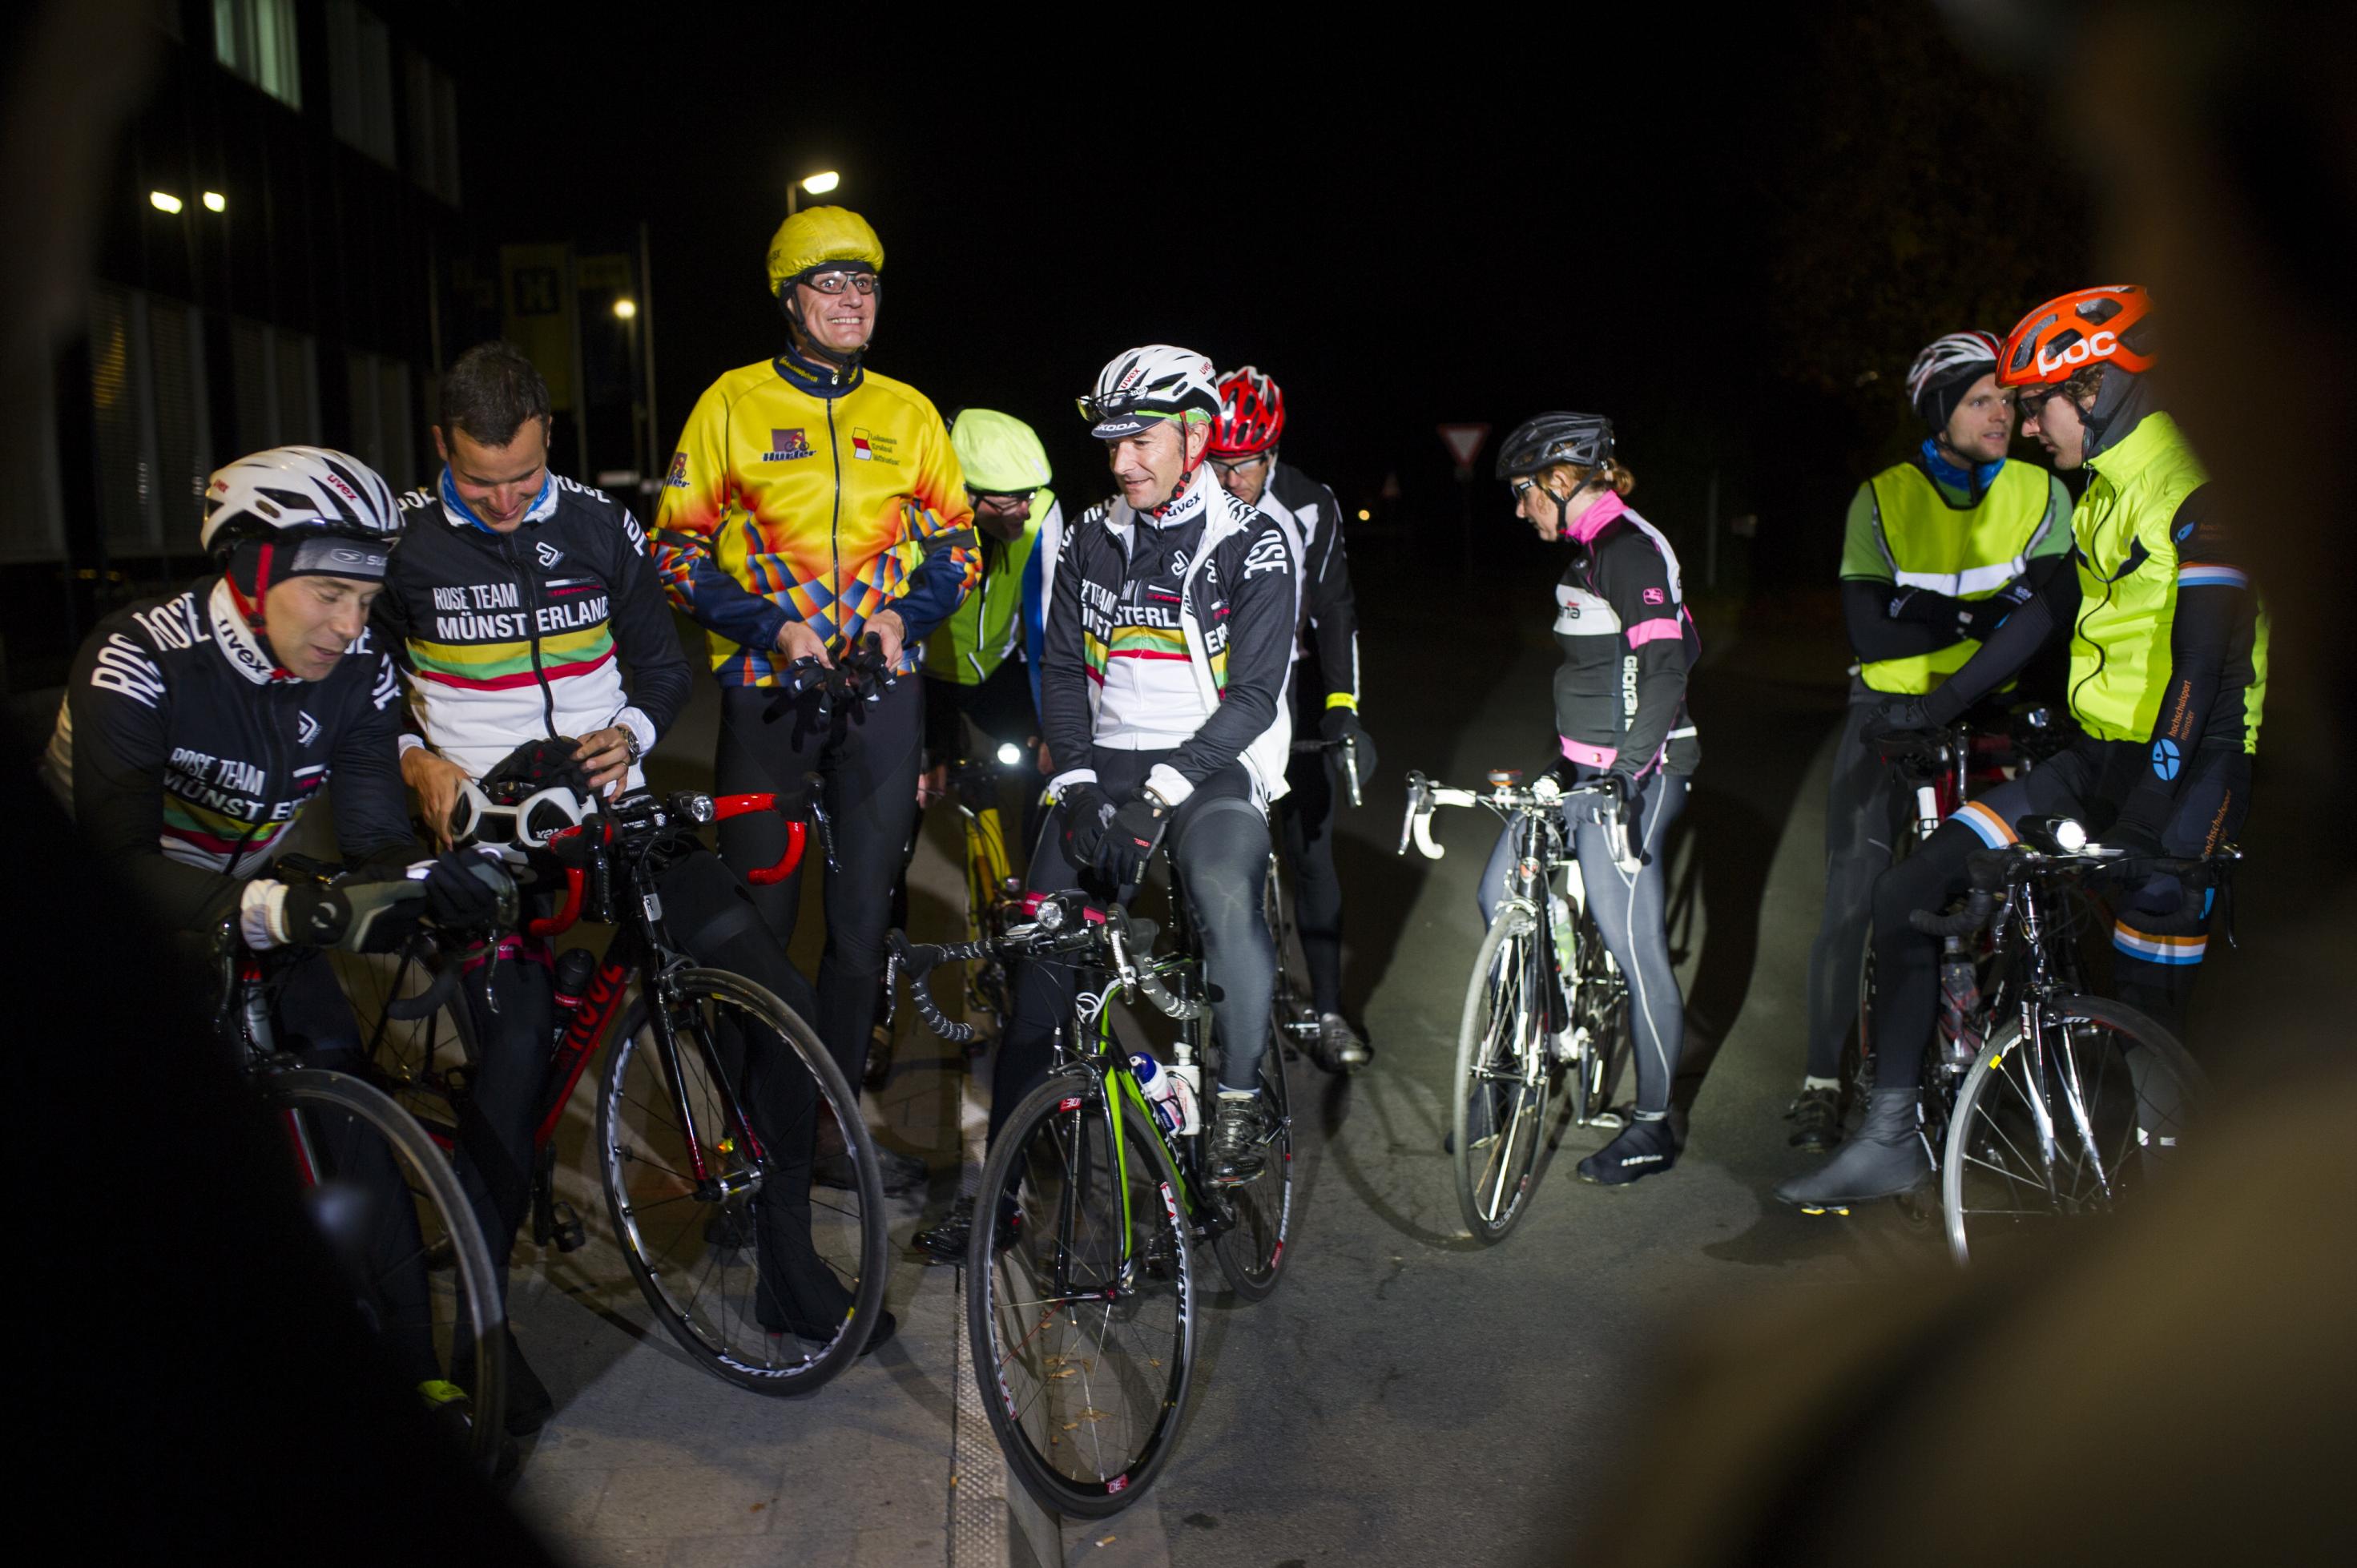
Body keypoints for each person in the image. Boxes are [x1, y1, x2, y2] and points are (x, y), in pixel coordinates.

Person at [375, 342, 893, 1370]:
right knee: (518, 1059)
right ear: (441, 449)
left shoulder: (597, 524)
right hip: (487, 834)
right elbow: (358, 688)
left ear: (550, 441)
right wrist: (411, 759)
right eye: (481, 482)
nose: (508, 502)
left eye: (524, 476)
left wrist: (639, 736)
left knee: (777, 1002)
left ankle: (789, 1266)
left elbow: (661, 668)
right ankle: (479, 1344)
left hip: (614, 813)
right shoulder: (399, 542)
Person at [38, 445, 508, 1413]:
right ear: (253, 573)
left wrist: (433, 882)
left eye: (367, 599)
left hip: (250, 897)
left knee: (349, 1109)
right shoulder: (138, 655)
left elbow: (375, 834)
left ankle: (419, 1374)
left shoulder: (362, 665)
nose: (350, 625)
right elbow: (119, 859)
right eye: (329, 592)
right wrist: (283, 907)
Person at [1778, 284, 2267, 1210]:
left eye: (2036, 403)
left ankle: (2169, 1220)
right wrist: (1937, 706)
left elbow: (2204, 666)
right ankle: (1890, 1141)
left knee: (2141, 1010)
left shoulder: (2201, 485)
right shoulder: (2100, 493)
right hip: (2098, 757)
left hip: (2188, 768)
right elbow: (2048, 611)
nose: (2028, 425)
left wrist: (2145, 817)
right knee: (1907, 888)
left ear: (2092, 388)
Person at [915, 345, 1299, 1260]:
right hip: (1109, 765)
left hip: (1209, 768)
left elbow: (1251, 697)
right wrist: (1077, 782)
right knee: (1038, 969)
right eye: (1110, 444)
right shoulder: (1088, 531)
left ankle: (1238, 1102)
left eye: (1139, 441)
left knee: (1218, 890)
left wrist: (1159, 796)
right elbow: (1056, 669)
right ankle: (1001, 1200)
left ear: (1196, 436)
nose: (1121, 461)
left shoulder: (1253, 537)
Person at [654, 205, 977, 1199]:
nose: (850, 300)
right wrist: (774, 629)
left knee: (858, 930)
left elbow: (958, 549)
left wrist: (897, 624)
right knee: (755, 929)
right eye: (829, 284)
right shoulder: (731, 404)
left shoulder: (910, 413)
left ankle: (829, 1135)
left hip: (878, 700)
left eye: (865, 283)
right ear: (790, 299)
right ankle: (754, 1141)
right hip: (769, 697)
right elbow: (672, 552)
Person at [1791, 332, 2073, 1152]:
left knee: (2029, 890)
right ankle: (1817, 1082)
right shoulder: (1879, 498)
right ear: (1938, 410)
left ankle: (2020, 1059)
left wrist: (1920, 611)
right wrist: (1985, 615)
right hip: (1886, 714)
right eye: (1980, 399)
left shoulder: (2040, 490)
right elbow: (1866, 635)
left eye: (2009, 400)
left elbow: (2049, 625)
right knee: (1850, 895)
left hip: (1993, 716)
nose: (2002, 413)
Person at [1476, 413, 1701, 1186]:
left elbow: (1666, 668)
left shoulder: (1628, 548)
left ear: (1562, 482)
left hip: (1640, 772)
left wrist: (1626, 774)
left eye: (1524, 493)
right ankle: (1517, 1065)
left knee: (1634, 943)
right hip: (1582, 767)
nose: (1519, 509)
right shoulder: (1587, 552)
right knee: (1494, 891)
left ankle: (1652, 1124)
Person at [1206, 365, 1376, 1074]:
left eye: (1244, 464)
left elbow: (1336, 609)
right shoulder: (1193, 496)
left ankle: (1331, 1010)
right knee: (1219, 854)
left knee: (1310, 852)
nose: (1231, 478)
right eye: (1219, 462)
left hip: (1296, 683)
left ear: (1272, 454)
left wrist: (1343, 708)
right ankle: (1226, 1004)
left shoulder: (1311, 503)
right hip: (1217, 682)